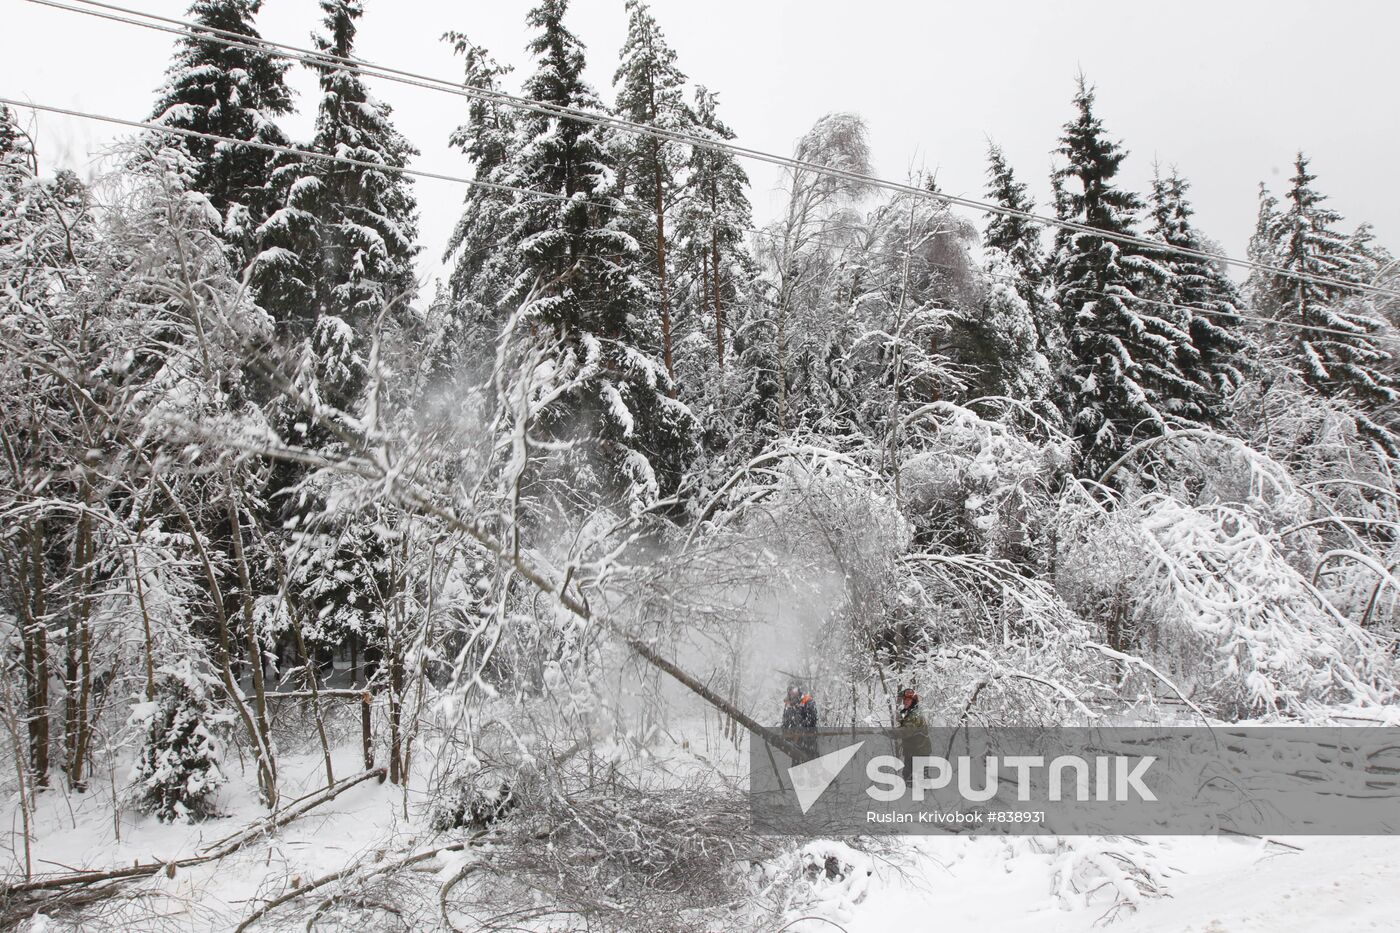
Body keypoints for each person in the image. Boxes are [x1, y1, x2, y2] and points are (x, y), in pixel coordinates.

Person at [896, 686, 932, 785]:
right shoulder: (907, 713)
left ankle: (926, 798)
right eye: (904, 700)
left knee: (918, 780)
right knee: (908, 777)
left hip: (920, 751)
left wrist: (890, 733)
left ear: (913, 702)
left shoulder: (915, 715)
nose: (905, 702)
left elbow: (906, 731)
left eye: (908, 700)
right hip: (912, 751)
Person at [781, 685, 819, 763]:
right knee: (797, 764)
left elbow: (812, 720)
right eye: (790, 691)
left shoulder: (808, 701)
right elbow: (785, 721)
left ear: (798, 690)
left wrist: (800, 727)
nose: (792, 693)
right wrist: (784, 733)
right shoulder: (788, 704)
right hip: (795, 742)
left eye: (794, 690)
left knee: (812, 762)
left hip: (808, 739)